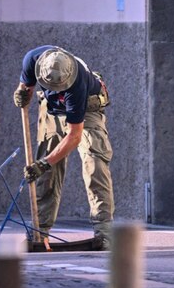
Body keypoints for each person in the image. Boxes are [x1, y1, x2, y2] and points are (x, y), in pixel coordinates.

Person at [13, 46, 115, 250]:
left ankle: (104, 233)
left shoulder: (77, 84)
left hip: (87, 108)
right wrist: (21, 94)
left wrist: (44, 163)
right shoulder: (32, 60)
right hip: (51, 109)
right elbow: (26, 88)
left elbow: (74, 136)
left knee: (94, 165)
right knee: (46, 174)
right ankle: (39, 232)